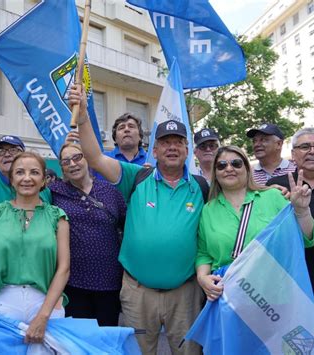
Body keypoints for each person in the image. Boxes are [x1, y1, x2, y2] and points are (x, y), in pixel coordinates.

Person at [69, 84, 206, 355]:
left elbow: (237, 191)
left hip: (185, 293)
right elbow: (95, 158)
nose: (172, 148)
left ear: (187, 149)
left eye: (178, 142)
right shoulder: (137, 176)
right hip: (137, 291)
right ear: (153, 151)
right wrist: (83, 116)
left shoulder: (202, 187)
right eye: (165, 143)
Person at [0, 151, 70, 344]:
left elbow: (63, 269)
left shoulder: (58, 217)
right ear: (11, 179)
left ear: (44, 180)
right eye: (20, 172)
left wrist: (43, 315)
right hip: (3, 300)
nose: (27, 178)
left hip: (46, 302)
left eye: (34, 172)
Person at [196, 145, 314, 302]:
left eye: (236, 163)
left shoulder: (273, 196)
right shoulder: (208, 210)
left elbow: (308, 239)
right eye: (221, 165)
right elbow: (204, 254)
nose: (229, 168)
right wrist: (202, 277)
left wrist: (302, 210)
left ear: (247, 169)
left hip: (272, 293)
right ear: (215, 173)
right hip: (228, 294)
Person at [49, 142, 126, 326]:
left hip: (109, 280)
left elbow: (125, 226)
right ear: (61, 168)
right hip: (73, 282)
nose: (73, 164)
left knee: (106, 340)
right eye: (66, 161)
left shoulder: (110, 191)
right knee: (79, 341)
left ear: (87, 160)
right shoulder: (54, 193)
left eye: (77, 157)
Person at [267, 127, 314, 331]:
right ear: (293, 155)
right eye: (304, 146)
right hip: (290, 287)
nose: (312, 151)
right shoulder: (276, 187)